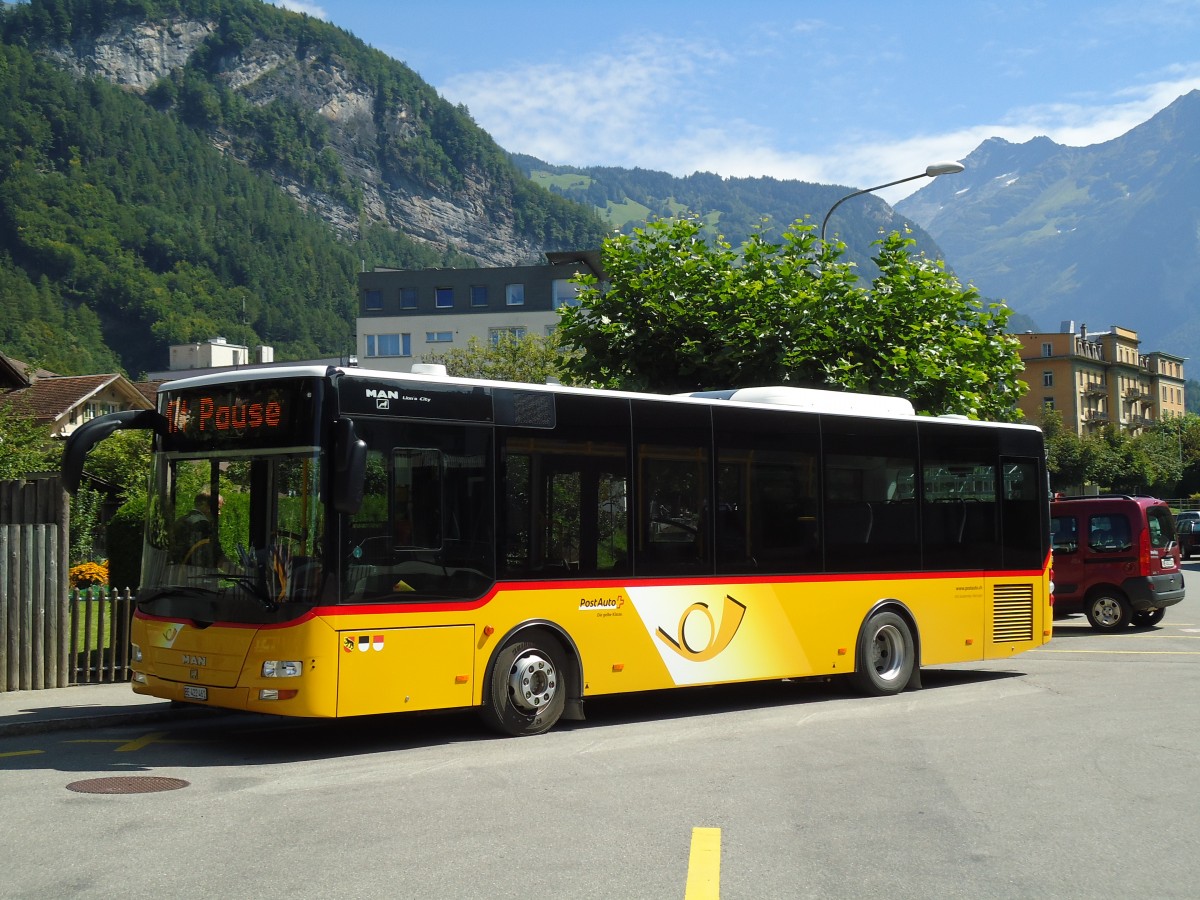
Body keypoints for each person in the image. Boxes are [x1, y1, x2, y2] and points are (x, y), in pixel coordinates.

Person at [173, 491, 224, 567]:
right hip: (196, 575)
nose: (219, 513)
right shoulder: (202, 524)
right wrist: (239, 572)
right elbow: (218, 558)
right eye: (217, 509)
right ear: (203, 504)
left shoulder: (181, 520)